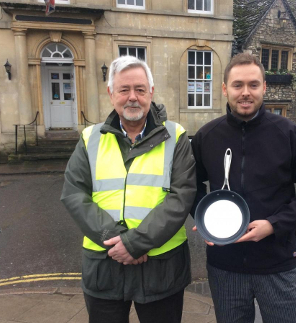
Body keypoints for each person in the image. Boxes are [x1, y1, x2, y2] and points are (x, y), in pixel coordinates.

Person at [190, 53, 296, 323]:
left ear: (264, 88)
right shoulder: (207, 136)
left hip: (277, 262)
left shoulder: (287, 132)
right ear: (224, 89)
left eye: (253, 85)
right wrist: (203, 216)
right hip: (225, 265)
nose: (245, 92)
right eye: (237, 85)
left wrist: (275, 224)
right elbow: (189, 185)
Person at [61, 55, 196, 323]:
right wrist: (118, 241)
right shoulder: (90, 138)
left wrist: (134, 243)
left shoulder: (176, 136)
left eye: (140, 89)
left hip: (161, 266)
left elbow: (181, 197)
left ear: (151, 93)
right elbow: (74, 194)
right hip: (105, 264)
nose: (132, 97)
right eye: (124, 90)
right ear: (111, 94)